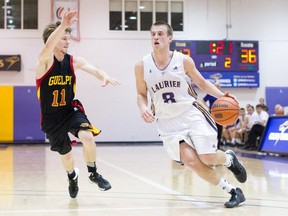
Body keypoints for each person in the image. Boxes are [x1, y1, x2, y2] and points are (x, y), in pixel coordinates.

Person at [134, 21, 247, 208]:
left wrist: (222, 95)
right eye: (153, 34)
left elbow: (202, 83)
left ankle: (229, 159)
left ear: (170, 38)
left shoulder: (183, 60)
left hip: (190, 113)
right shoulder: (141, 65)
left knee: (208, 157)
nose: (155, 37)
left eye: (160, 34)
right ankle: (234, 192)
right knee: (192, 162)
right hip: (166, 122)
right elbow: (140, 94)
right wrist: (143, 107)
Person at [36, 11, 120, 198]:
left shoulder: (73, 61)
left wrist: (104, 76)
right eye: (63, 38)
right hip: (51, 118)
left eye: (68, 38)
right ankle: (72, 177)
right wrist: (62, 24)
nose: (67, 42)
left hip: (70, 110)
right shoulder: (44, 63)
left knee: (87, 137)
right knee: (66, 156)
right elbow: (48, 47)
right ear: (53, 39)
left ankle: (93, 173)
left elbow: (94, 70)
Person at [202, 82, 223, 148]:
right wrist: (207, 108)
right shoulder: (210, 94)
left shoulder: (222, 94)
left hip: (220, 114)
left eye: (219, 86)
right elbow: (203, 100)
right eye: (216, 86)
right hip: (212, 113)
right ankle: (211, 145)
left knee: (219, 130)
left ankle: (218, 146)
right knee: (212, 129)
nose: (218, 87)